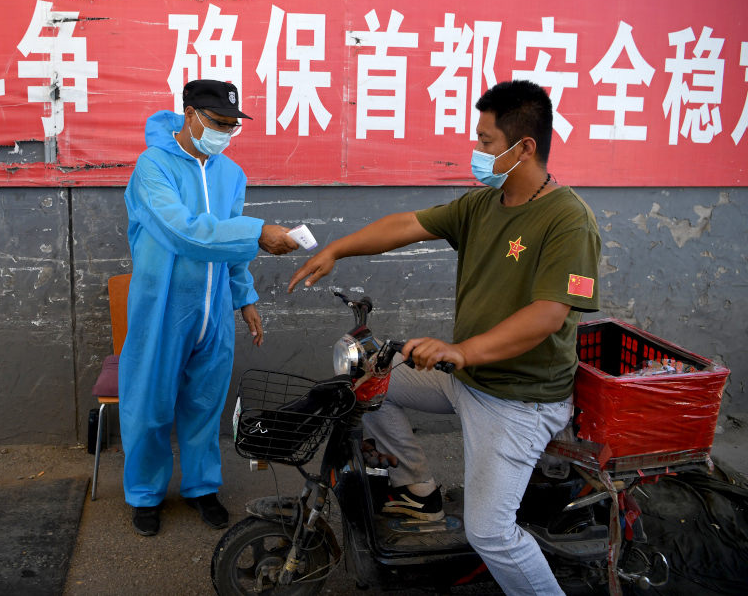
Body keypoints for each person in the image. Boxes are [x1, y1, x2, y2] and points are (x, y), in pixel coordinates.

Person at [288, 80, 601, 595]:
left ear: (523, 147)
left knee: (491, 532)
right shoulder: (482, 205)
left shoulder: (568, 219)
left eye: (485, 140)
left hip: (518, 400)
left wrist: (459, 351)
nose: (476, 151)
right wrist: (339, 249)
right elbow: (407, 224)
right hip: (468, 378)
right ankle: (420, 488)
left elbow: (547, 316)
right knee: (365, 380)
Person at [120, 79, 298, 537]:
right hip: (161, 308)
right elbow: (184, 232)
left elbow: (230, 246)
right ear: (190, 114)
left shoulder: (230, 174)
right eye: (218, 123)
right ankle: (144, 493)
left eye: (232, 126)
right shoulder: (152, 168)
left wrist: (245, 297)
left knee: (205, 404)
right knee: (151, 405)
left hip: (212, 310)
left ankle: (201, 487)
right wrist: (258, 232)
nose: (224, 133)